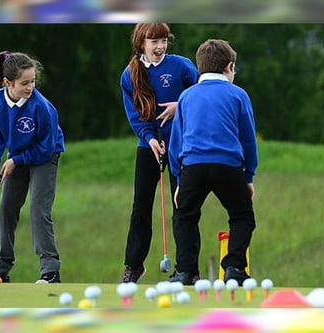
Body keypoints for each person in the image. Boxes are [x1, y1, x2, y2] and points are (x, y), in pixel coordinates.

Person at [167, 39, 258, 286]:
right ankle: (235, 267)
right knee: (242, 216)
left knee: (184, 216)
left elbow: (177, 141)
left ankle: (186, 272)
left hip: (193, 167)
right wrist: (248, 176)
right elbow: (248, 139)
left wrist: (177, 179)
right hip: (228, 166)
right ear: (229, 67)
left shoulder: (186, 96)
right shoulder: (238, 95)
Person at [0, 51, 65, 284]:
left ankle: (50, 271)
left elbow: (46, 148)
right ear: (8, 82)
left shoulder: (43, 107)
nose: (31, 87)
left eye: (33, 81)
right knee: (6, 209)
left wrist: (16, 160)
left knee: (38, 210)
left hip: (45, 156)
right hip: (17, 156)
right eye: (25, 83)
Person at [119, 23, 198, 283]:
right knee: (141, 206)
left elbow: (200, 91)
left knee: (182, 204)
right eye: (154, 41)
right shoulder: (129, 75)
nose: (160, 46)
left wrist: (180, 105)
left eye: (163, 40)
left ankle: (187, 269)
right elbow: (135, 116)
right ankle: (133, 266)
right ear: (141, 43)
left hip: (180, 145)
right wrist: (150, 139)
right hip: (148, 147)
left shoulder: (181, 65)